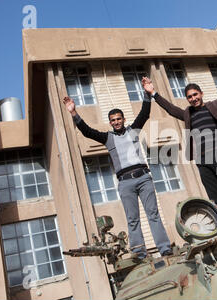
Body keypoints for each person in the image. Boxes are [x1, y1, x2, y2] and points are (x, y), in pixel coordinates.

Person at [142, 71, 217, 231]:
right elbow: (170, 109)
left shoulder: (215, 106)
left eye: (195, 95)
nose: (193, 99)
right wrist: (153, 93)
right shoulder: (187, 114)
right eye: (190, 97)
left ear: (201, 94)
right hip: (202, 161)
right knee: (216, 197)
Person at [63, 82, 172, 260]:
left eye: (118, 119)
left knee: (153, 214)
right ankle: (139, 253)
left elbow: (144, 113)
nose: (116, 122)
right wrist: (74, 112)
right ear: (111, 123)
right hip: (125, 182)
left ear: (123, 119)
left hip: (143, 178)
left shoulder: (133, 130)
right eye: (113, 120)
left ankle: (165, 248)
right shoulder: (108, 138)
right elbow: (87, 132)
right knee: (133, 220)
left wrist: (147, 93)